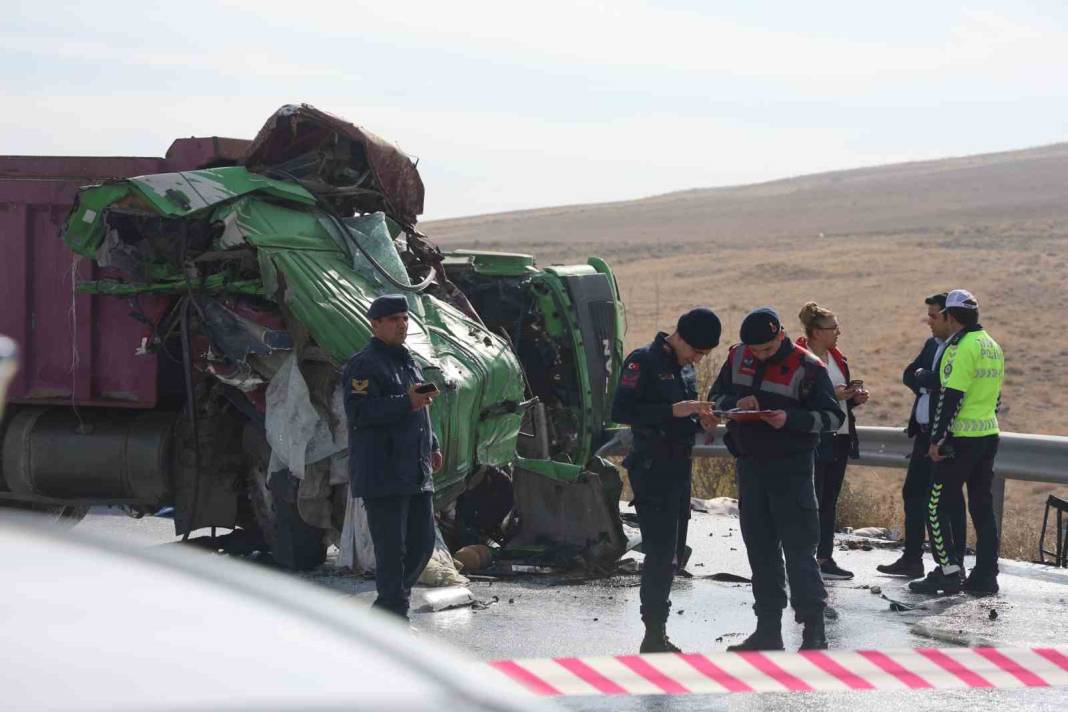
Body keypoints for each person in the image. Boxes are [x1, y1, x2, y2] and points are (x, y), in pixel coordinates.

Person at [709, 307, 844, 651]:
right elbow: (715, 399)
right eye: (755, 350)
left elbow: (831, 418)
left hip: (792, 470)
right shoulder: (738, 357)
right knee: (761, 551)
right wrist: (737, 403)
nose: (760, 355)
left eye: (767, 349)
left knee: (800, 552)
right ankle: (767, 629)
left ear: (781, 335)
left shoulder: (809, 366)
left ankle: (814, 630)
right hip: (750, 466)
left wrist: (790, 419)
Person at [611, 307, 722, 653]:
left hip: (679, 469)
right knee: (659, 554)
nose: (699, 360)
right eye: (698, 352)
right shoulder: (642, 361)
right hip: (651, 468)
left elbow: (684, 416)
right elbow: (621, 411)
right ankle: (653, 633)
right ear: (682, 338)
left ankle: (659, 630)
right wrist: (671, 411)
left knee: (672, 554)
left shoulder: (685, 369)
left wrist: (701, 422)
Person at [342, 294, 444, 620]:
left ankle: (388, 609)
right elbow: (359, 412)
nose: (402, 325)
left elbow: (420, 406)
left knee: (422, 544)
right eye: (393, 319)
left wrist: (433, 444)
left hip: (414, 469)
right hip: (383, 472)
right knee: (391, 552)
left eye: (404, 318)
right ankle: (393, 615)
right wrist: (405, 402)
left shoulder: (407, 360)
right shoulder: (363, 365)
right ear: (375, 325)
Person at [910, 289, 1004, 596]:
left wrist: (938, 439)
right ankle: (986, 575)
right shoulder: (991, 345)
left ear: (951, 317)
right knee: (982, 507)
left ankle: (948, 571)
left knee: (935, 505)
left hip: (961, 439)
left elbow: (951, 398)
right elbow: (997, 396)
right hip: (988, 434)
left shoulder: (960, 348)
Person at [878, 293, 967, 579]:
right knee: (913, 493)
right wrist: (926, 382)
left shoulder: (960, 347)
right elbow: (909, 374)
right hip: (923, 435)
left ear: (948, 316)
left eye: (933, 316)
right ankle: (912, 558)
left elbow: (953, 389)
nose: (928, 321)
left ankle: (953, 565)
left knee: (947, 502)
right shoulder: (932, 345)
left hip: (946, 437)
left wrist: (933, 383)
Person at [795, 303, 869, 581]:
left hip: (840, 436)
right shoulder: (801, 359)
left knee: (829, 502)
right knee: (809, 502)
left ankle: (824, 558)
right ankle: (803, 557)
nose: (838, 332)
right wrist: (834, 396)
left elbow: (838, 402)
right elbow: (800, 399)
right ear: (816, 332)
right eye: (832, 328)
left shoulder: (838, 358)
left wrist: (852, 398)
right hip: (815, 438)